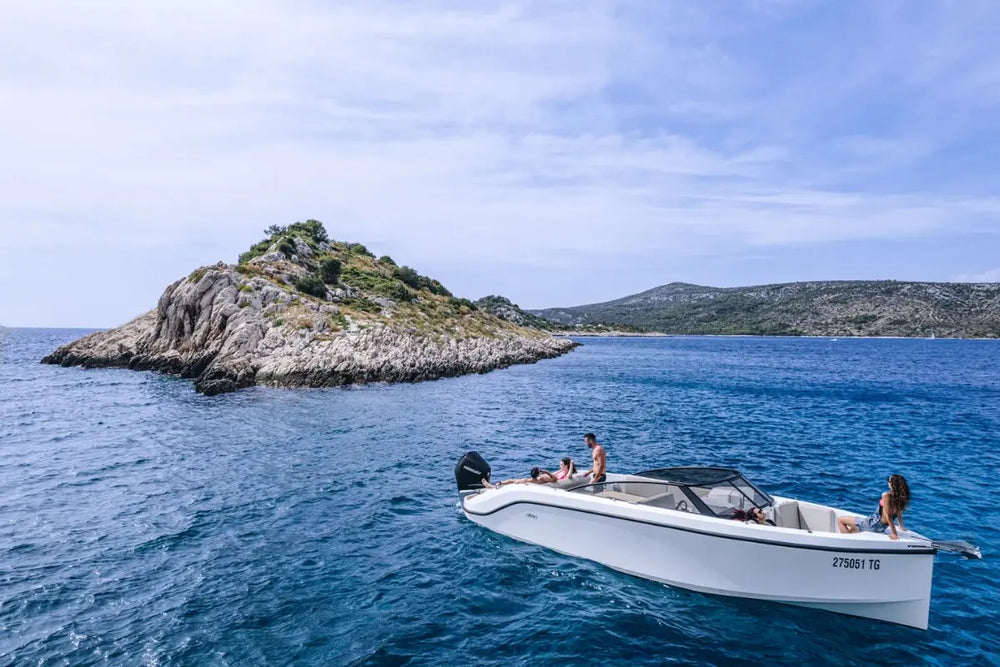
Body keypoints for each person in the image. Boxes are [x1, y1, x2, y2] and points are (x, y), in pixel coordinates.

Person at [837, 474, 911, 540]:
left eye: (889, 480)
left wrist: (894, 533)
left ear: (892, 484)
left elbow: (888, 515)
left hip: (874, 524)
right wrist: (901, 526)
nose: (888, 482)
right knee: (854, 529)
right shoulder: (900, 498)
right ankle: (852, 542)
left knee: (840, 520)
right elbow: (898, 513)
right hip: (882, 526)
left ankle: (847, 543)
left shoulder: (886, 495)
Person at [481, 467, 557, 488]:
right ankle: (492, 486)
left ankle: (492, 486)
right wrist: (546, 472)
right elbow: (555, 479)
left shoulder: (527, 480)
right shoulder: (542, 479)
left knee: (511, 482)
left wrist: (501, 482)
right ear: (538, 474)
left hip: (521, 486)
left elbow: (511, 481)